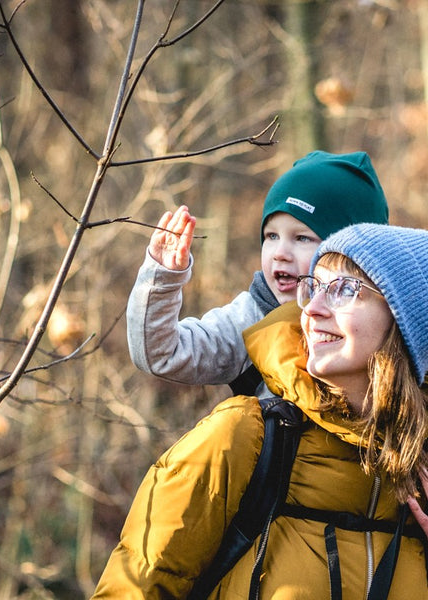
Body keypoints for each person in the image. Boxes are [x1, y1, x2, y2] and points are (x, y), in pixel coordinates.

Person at [93, 223, 428, 599]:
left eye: (345, 290)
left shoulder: (418, 475)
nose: (313, 309)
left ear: (408, 320)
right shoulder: (244, 436)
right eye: (314, 286)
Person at [126, 150, 389, 396]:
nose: (279, 252)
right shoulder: (253, 317)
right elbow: (162, 355)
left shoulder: (380, 320)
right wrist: (161, 279)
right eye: (271, 236)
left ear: (349, 254)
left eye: (301, 238)